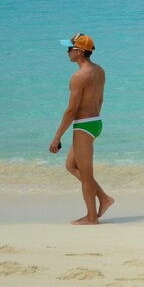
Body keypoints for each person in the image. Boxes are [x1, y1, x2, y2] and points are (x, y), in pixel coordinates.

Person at [49, 32, 114, 225]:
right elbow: (100, 99)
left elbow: (71, 111)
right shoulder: (99, 70)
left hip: (84, 126)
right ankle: (104, 198)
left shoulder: (79, 76)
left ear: (80, 51)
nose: (67, 52)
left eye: (70, 48)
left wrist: (57, 137)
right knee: (71, 165)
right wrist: (93, 119)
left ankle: (92, 217)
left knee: (86, 176)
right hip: (95, 122)